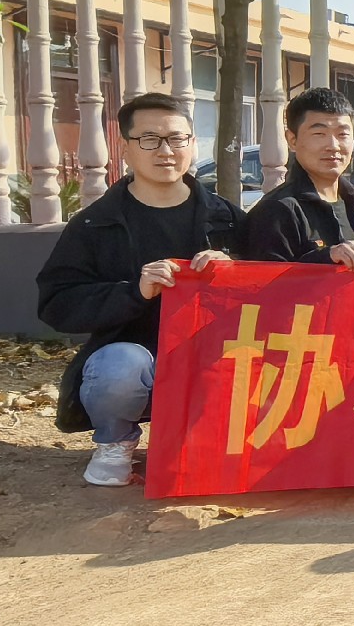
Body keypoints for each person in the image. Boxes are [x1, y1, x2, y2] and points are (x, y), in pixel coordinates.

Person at [35, 92, 245, 486]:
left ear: (192, 144)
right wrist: (134, 292)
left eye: (177, 138)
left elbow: (272, 291)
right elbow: (57, 303)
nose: (165, 151)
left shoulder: (228, 219)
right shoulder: (95, 224)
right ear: (126, 148)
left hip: (211, 359)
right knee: (120, 367)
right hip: (135, 362)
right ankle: (115, 442)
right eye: (150, 140)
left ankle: (209, 438)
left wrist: (234, 272)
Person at [244, 87, 354, 268]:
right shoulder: (276, 211)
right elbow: (265, 280)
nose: (333, 146)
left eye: (342, 134)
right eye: (319, 134)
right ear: (292, 140)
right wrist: (327, 257)